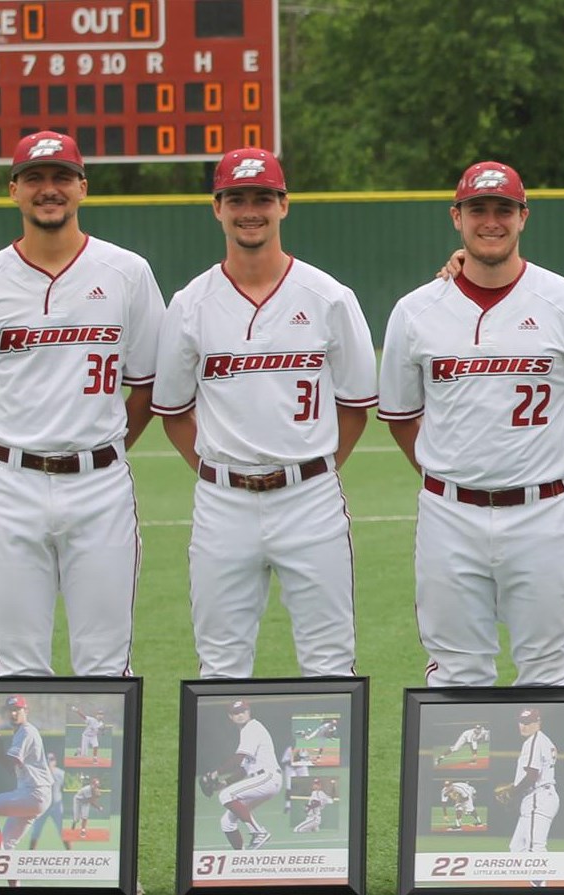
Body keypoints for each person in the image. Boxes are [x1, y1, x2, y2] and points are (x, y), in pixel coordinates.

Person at [379, 161, 564, 686]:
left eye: (503, 210)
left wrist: (542, 465)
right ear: (457, 217)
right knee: (455, 671)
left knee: (551, 670)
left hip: (542, 513)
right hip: (448, 514)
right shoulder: (415, 310)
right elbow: (402, 418)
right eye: (478, 210)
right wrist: (451, 472)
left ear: (523, 217)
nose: (491, 221)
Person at [0, 131, 165, 677]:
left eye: (62, 177)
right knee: (17, 664)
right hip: (12, 484)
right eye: (35, 179)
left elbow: (147, 388)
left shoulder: (127, 272)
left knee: (105, 664)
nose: (49, 189)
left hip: (101, 485)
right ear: (13, 190)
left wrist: (101, 445)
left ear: (82, 187)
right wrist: (28, 440)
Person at [152, 148, 378, 679]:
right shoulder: (190, 303)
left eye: (262, 198)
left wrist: (314, 469)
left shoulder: (329, 297)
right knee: (220, 663)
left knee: (330, 661)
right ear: (217, 208)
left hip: (310, 498)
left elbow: (355, 407)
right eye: (237, 199)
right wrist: (219, 471)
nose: (249, 211)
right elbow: (174, 412)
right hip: (222, 502)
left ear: (283, 205)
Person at [0, 696, 52, 852]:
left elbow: (10, 762)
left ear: (26, 711)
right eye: (10, 710)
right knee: (8, 845)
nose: (13, 714)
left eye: (17, 709)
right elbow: (11, 769)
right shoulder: (20, 732)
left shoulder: (26, 731)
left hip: (34, 793)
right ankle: (3, 857)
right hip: (32, 794)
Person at [207, 699, 283, 850]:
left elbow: (238, 758)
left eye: (243, 711)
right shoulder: (246, 732)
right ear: (230, 717)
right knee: (227, 823)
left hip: (268, 777)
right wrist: (223, 783)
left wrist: (216, 772)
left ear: (249, 712)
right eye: (236, 713)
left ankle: (258, 832)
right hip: (262, 780)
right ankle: (241, 857)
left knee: (226, 795)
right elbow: (243, 770)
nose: (240, 715)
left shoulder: (252, 728)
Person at [507, 707, 560, 855]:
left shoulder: (534, 741)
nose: (523, 726)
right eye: (521, 722)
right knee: (517, 848)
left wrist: (513, 792)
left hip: (539, 797)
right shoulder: (545, 740)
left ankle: (548, 872)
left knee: (535, 848)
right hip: (542, 796)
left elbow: (532, 775)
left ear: (538, 722)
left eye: (528, 723)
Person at [25, 753, 66, 850]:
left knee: (63, 832)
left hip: (56, 807)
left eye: (51, 759)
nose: (49, 762)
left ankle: (71, 855)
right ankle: (30, 856)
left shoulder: (61, 773)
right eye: (47, 760)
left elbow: (69, 787)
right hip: (42, 807)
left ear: (55, 761)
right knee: (36, 832)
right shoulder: (38, 774)